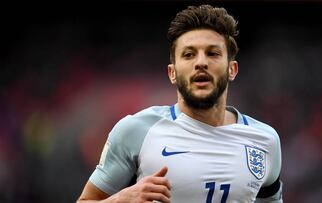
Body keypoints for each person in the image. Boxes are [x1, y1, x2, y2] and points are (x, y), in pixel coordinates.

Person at [77, 4, 283, 203]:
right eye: (188, 54)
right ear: (172, 73)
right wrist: (120, 200)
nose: (201, 62)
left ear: (232, 69)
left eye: (212, 53)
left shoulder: (265, 141)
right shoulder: (136, 130)